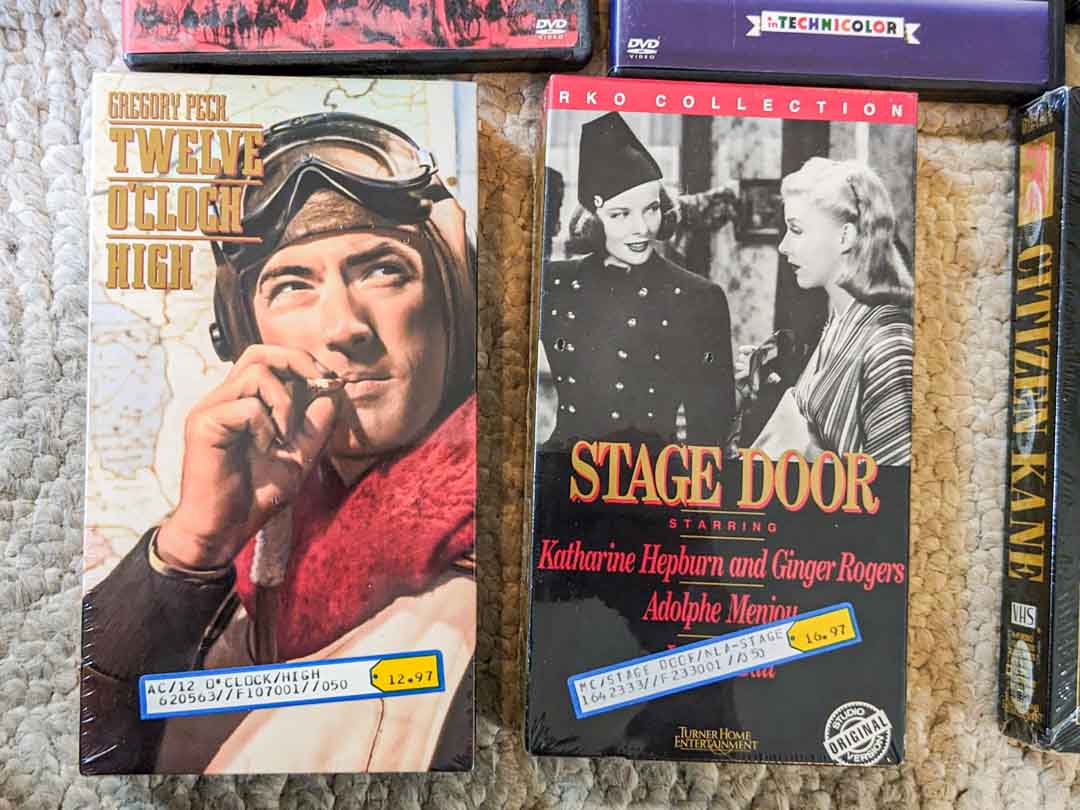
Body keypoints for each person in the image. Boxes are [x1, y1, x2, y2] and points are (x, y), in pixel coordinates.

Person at [80, 113, 477, 774]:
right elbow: (86, 751)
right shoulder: (261, 557)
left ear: (452, 306)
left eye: (383, 271)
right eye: (292, 285)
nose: (344, 327)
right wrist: (189, 550)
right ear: (244, 334)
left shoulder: (472, 605)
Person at [537, 112, 736, 450]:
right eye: (621, 214)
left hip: (654, 472)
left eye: (651, 209)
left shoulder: (700, 297)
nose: (642, 228)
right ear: (592, 221)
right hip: (564, 467)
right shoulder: (553, 284)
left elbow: (711, 433)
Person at [738, 156, 913, 465]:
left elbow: (892, 483)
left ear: (845, 237)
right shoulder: (838, 323)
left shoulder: (889, 345)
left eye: (796, 230)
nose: (783, 246)